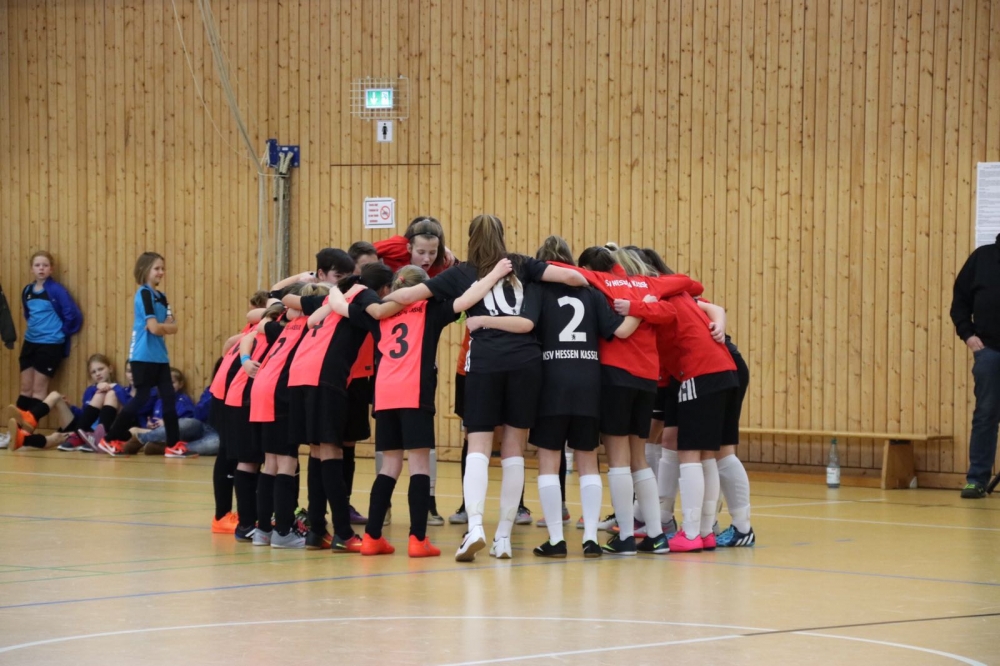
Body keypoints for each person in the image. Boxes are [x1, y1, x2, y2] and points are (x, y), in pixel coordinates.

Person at [384, 213, 588, 562]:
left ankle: (475, 526)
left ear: (470, 239)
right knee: (514, 448)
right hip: (527, 363)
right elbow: (573, 276)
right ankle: (503, 537)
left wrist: (377, 306)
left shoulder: (462, 272)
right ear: (503, 236)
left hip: (486, 361)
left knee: (478, 443)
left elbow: (410, 294)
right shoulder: (522, 264)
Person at [334, 263, 507, 556]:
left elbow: (341, 307)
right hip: (414, 393)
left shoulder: (380, 313)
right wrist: (495, 274)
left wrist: (340, 290)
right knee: (419, 466)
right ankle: (418, 540)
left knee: (389, 467)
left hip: (384, 395)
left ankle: (372, 537)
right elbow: (468, 298)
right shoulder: (430, 309)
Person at [526, 236, 640, 558]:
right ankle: (590, 537)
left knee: (549, 460)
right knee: (588, 460)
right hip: (589, 381)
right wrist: (645, 305)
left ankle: (556, 539)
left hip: (551, 382)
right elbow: (619, 330)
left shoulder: (537, 290)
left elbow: (527, 328)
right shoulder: (591, 291)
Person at [95, 252, 194, 458]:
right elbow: (155, 328)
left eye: (163, 268)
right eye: (157, 268)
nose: (161, 272)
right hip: (142, 355)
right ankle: (110, 438)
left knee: (169, 398)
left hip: (160, 356)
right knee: (141, 397)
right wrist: (163, 327)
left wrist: (163, 327)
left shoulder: (162, 297)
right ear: (145, 269)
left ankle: (173, 444)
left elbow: (171, 326)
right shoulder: (144, 294)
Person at [950, 232, 1000, 499]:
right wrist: (968, 335)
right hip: (989, 351)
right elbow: (959, 302)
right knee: (986, 415)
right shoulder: (982, 258)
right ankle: (977, 479)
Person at [12, 251, 82, 430]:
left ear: (51, 269)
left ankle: (27, 430)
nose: (41, 268)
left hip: (50, 344)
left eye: (45, 265)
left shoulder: (56, 290)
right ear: (31, 269)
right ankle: (16, 430)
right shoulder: (27, 290)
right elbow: (28, 314)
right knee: (25, 388)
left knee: (39, 390)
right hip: (30, 342)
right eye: (37, 265)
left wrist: (61, 333)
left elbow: (71, 313)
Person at [373, 216, 455, 276]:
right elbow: (366, 251)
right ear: (409, 248)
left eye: (432, 253)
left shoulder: (444, 263)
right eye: (421, 252)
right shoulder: (398, 247)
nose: (427, 259)